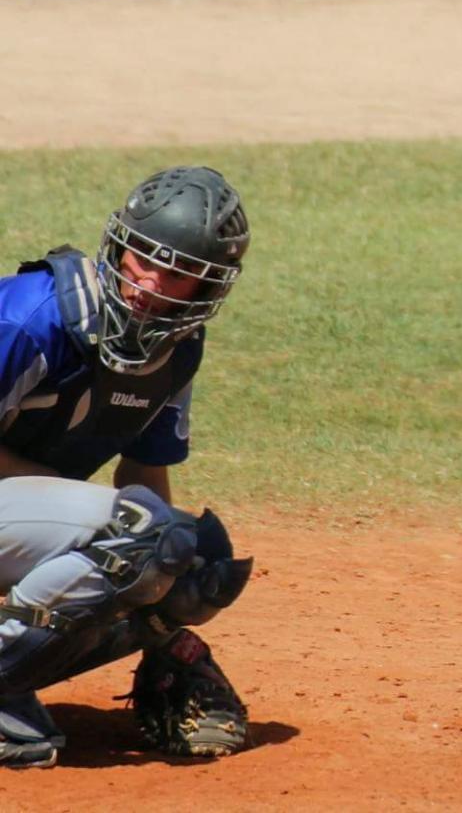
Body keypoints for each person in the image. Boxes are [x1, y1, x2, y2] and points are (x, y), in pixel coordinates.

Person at [0, 166, 255, 767]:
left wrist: (165, 621)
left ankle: (157, 669)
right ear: (116, 246)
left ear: (210, 288)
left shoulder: (175, 352)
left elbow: (146, 484)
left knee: (196, 558)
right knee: (139, 535)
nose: (150, 283)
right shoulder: (29, 319)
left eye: (179, 274)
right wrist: (128, 533)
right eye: (142, 259)